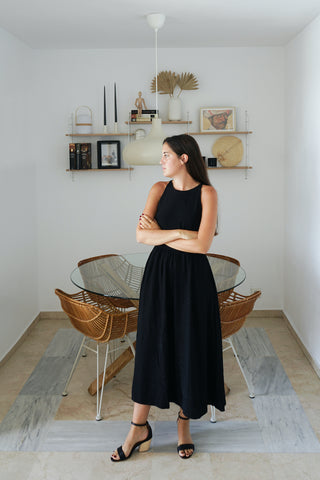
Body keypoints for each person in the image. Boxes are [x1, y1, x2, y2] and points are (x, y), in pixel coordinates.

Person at [111, 134, 226, 462]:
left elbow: (202, 246)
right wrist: (179, 232)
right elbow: (141, 235)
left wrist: (163, 233)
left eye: (165, 155)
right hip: (159, 277)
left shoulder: (208, 193)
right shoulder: (158, 190)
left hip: (194, 281)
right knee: (151, 346)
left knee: (189, 346)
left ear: (184, 158)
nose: (161, 161)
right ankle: (138, 427)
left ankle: (183, 425)